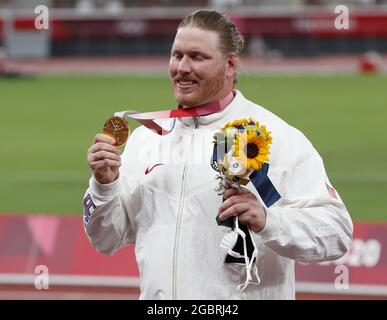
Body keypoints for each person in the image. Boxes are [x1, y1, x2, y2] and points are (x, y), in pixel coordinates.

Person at [83, 9, 353, 299]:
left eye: (197, 57)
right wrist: (104, 185)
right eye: (177, 55)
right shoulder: (147, 139)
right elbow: (106, 240)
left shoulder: (275, 138)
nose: (182, 67)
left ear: (230, 65)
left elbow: (336, 232)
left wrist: (269, 221)